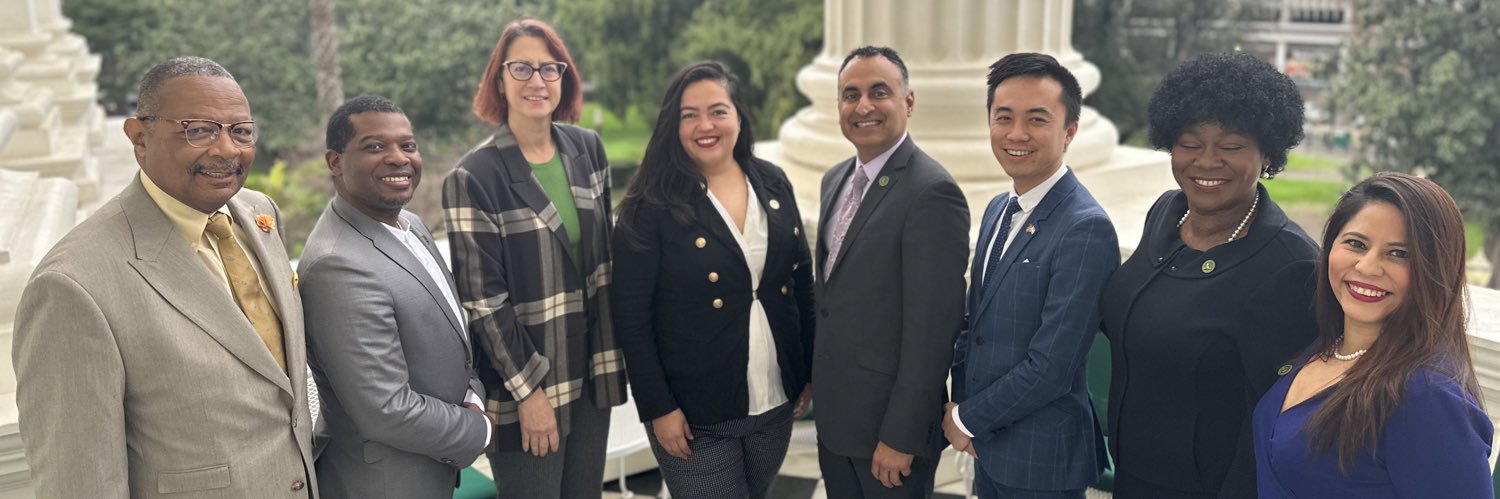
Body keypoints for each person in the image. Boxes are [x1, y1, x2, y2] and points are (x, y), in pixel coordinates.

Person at [12, 56, 318, 497]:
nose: (227, 150)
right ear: (139, 137)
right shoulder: (72, 286)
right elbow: (77, 483)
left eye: (241, 131)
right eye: (199, 130)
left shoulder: (258, 213)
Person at [1099, 52, 1319, 498]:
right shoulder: (1167, 213)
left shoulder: (1290, 265)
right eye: (1189, 143)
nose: (1207, 161)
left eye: (1232, 146)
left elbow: (1275, 420)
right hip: (1133, 470)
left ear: (1267, 154)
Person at [612, 61, 816, 499]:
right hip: (694, 412)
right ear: (673, 124)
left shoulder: (773, 182)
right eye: (690, 115)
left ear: (738, 116)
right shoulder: (648, 206)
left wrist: (809, 371)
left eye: (718, 111)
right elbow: (631, 318)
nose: (706, 125)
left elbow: (802, 283)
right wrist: (659, 408)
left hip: (775, 398)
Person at [443, 17, 625, 498]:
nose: (537, 81)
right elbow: (483, 302)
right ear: (499, 80)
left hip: (591, 373)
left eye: (550, 68)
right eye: (521, 68)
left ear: (564, 79)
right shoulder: (473, 176)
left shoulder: (588, 150)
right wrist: (529, 392)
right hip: (527, 387)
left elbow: (603, 262)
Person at [1252, 173, 1493, 498]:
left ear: (1436, 270)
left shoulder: (1428, 396)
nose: (1367, 267)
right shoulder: (1325, 344)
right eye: (1356, 243)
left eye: (1399, 254)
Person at [943, 53, 1117, 499]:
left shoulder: (1085, 228)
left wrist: (964, 418)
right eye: (1004, 117)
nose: (1016, 134)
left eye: (1036, 119)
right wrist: (964, 411)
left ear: (1069, 131)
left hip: (1042, 458)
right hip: (989, 445)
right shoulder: (999, 209)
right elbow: (974, 326)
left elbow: (1051, 368)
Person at [299, 95, 491, 498]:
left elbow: (451, 334)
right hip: (385, 482)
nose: (398, 158)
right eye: (374, 147)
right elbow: (386, 410)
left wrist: (472, 394)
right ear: (335, 162)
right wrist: (478, 427)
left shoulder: (412, 225)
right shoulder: (339, 265)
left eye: (408, 145)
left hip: (430, 468)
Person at [813, 45, 970, 498]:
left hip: (889, 434)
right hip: (837, 421)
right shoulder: (835, 179)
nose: (862, 106)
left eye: (878, 92)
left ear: (908, 101)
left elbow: (932, 332)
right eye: (850, 94)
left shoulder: (933, 192)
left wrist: (900, 436)